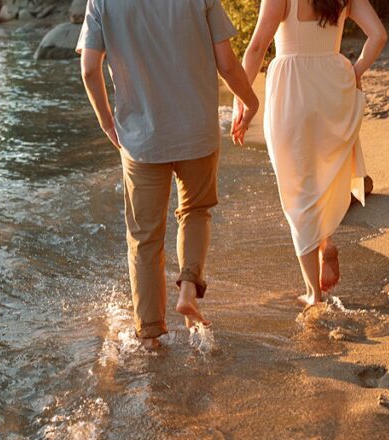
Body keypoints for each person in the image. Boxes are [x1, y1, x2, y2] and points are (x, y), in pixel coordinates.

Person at [78, 0, 261, 350]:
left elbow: (89, 69)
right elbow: (226, 62)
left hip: (141, 138)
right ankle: (189, 288)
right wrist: (249, 102)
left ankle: (150, 336)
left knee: (145, 238)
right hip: (197, 130)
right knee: (194, 211)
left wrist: (106, 122)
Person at [233, 0, 386, 306]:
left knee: (297, 189)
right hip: (333, 85)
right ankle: (325, 243)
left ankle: (313, 293)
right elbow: (379, 36)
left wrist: (242, 102)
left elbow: (257, 47)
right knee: (320, 175)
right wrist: (355, 70)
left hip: (292, 89)